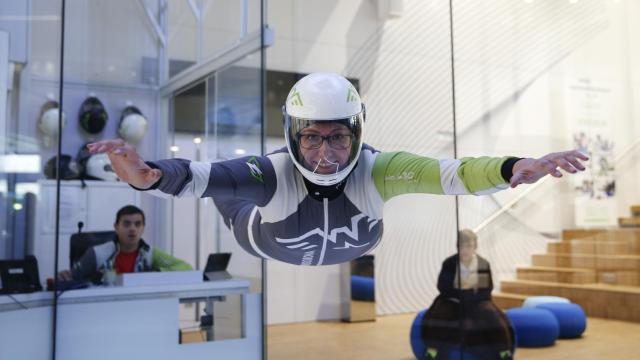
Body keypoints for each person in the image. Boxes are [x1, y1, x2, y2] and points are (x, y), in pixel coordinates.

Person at [87, 72, 588, 267]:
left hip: (343, 239)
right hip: (253, 228)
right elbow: (191, 178)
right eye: (311, 137)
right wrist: (147, 174)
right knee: (225, 181)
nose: (325, 154)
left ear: (357, 134)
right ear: (293, 135)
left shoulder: (377, 169)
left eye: (338, 137)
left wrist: (513, 166)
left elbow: (451, 173)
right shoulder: (275, 171)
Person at [421, 230, 515, 359]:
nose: (465, 250)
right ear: (457, 246)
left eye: (469, 246)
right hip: (453, 300)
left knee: (492, 315)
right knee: (440, 314)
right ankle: (432, 350)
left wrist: (469, 296)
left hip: (477, 301)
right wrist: (462, 294)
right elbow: (443, 287)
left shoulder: (482, 263)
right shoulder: (449, 263)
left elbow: (486, 289)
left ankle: (503, 350)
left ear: (474, 247)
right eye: (462, 246)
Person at [57, 205, 192, 283]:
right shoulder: (96, 253)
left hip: (139, 310)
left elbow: (186, 268)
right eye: (127, 224)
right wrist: (64, 277)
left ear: (143, 228)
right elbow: (72, 280)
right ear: (116, 227)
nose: (132, 228)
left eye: (137, 224)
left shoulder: (150, 253)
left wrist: (156, 273)